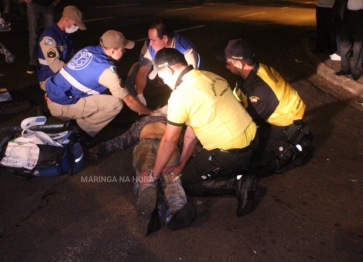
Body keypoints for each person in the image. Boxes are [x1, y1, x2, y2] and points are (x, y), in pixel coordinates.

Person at [148, 48, 258, 218]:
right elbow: (192, 131)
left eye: (162, 77)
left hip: (230, 152)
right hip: (253, 138)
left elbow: (169, 141)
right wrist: (182, 163)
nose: (163, 82)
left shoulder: (179, 96)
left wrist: (153, 175)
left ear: (169, 70)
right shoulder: (209, 75)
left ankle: (237, 184)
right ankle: (236, 169)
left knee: (188, 183)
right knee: (193, 163)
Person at [218, 38, 314, 178]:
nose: (226, 66)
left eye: (228, 62)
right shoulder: (251, 72)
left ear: (239, 63)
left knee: (248, 166)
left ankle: (295, 151)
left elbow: (244, 122)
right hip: (272, 111)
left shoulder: (261, 89)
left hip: (285, 123)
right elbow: (236, 97)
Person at [88, 116, 196, 236]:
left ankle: (174, 211)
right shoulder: (142, 121)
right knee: (147, 171)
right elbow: (123, 140)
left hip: (169, 146)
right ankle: (159, 208)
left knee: (169, 174)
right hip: (146, 144)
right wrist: (101, 148)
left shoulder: (174, 119)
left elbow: (190, 140)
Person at [45, 30, 155, 139]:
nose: (125, 51)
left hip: (52, 94)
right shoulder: (106, 70)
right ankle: (81, 131)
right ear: (113, 51)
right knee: (116, 103)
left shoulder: (87, 50)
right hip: (62, 107)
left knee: (106, 90)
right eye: (123, 49)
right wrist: (150, 112)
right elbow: (130, 102)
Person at [125, 20, 203, 106]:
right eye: (149, 39)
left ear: (165, 38)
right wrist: (140, 95)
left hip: (191, 75)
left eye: (153, 40)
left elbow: (189, 83)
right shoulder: (149, 45)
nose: (150, 43)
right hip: (167, 69)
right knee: (137, 67)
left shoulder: (186, 51)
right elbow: (143, 70)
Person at [37, 6, 86, 91]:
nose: (76, 28)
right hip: (49, 77)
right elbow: (55, 64)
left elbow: (71, 58)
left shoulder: (67, 36)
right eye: (75, 25)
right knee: (79, 90)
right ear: (67, 19)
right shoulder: (49, 38)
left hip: (62, 74)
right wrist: (75, 72)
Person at [23, 0, 60, 74]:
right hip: (33, 4)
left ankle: (50, 60)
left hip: (48, 4)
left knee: (50, 35)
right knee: (34, 35)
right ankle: (33, 62)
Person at [333, 0, 363, 81]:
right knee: (344, 42)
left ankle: (357, 70)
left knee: (358, 44)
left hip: (360, 15)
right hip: (346, 14)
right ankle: (345, 69)